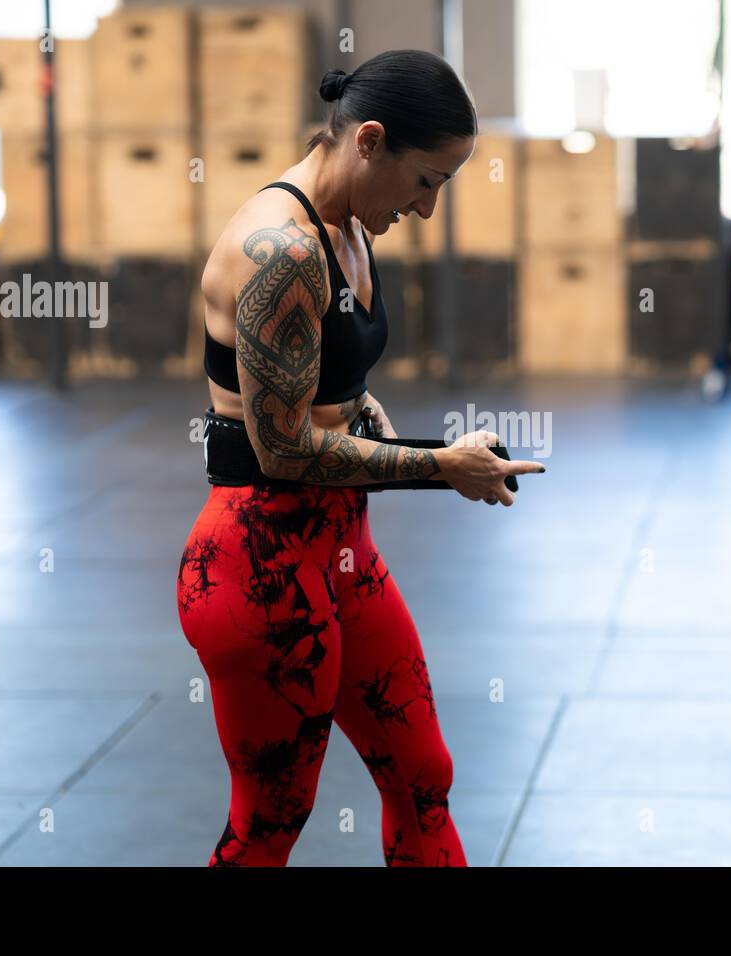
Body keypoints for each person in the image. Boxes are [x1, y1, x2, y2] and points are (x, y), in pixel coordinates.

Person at [176, 49, 544, 867]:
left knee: (423, 775)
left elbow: (331, 395)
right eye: (426, 181)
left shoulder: (346, 226)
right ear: (369, 141)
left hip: (341, 550)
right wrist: (439, 465)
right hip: (258, 563)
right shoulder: (283, 251)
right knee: (271, 819)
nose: (427, 207)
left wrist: (392, 426)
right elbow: (282, 449)